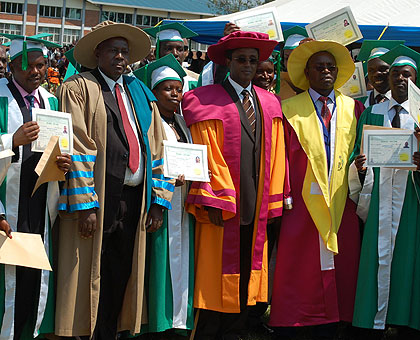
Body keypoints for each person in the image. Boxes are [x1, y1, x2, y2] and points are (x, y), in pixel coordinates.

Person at [55, 21, 174, 339]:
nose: (120, 57)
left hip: (134, 197)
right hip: (98, 195)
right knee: (89, 268)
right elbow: (76, 144)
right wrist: (85, 204)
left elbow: (158, 147)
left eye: (124, 51)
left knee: (122, 268)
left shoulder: (141, 94)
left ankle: (111, 329)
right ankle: (85, 330)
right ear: (97, 54)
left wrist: (158, 202)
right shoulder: (79, 88)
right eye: (113, 50)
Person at [182, 31, 287, 340]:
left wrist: (275, 201)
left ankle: (238, 326)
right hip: (222, 202)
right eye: (241, 59)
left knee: (248, 263)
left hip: (257, 202)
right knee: (214, 267)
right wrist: (214, 198)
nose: (248, 65)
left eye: (253, 60)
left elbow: (278, 155)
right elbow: (205, 154)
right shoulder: (204, 100)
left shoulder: (269, 102)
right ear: (227, 61)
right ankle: (209, 329)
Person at [269, 40, 365, 340]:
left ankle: (340, 316)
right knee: (300, 261)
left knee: (344, 260)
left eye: (331, 67)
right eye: (319, 67)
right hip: (301, 199)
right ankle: (297, 318)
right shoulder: (288, 109)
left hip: (341, 198)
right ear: (307, 72)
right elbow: (279, 156)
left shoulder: (354, 108)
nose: (326, 72)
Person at [0, 34, 71, 340]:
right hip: (7, 199)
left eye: (41, 65)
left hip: (40, 198)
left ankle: (29, 330)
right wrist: (10, 141)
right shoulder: (0, 98)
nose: (36, 72)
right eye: (27, 65)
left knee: (33, 271)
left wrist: (62, 162)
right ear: (11, 68)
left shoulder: (51, 100)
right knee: (7, 274)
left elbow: (57, 146)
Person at [350, 44, 420, 340]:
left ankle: (405, 321)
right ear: (387, 78)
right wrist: (361, 166)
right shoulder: (372, 113)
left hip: (411, 200)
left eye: (408, 75)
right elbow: (358, 152)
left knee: (408, 259)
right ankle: (371, 320)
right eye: (395, 74)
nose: (401, 79)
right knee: (375, 257)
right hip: (378, 196)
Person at [136, 53, 195, 335]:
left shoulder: (182, 122)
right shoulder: (149, 121)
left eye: (178, 89)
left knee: (181, 260)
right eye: (167, 89)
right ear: (154, 93)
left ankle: (178, 319)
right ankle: (158, 321)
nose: (175, 94)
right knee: (159, 261)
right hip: (160, 203)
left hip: (182, 205)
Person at [142, 22, 199, 93]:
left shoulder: (194, 85)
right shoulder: (143, 82)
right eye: (168, 49)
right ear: (155, 53)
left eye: (180, 49)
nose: (175, 54)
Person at [357, 40, 404, 106]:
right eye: (371, 70)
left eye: (382, 69)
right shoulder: (358, 102)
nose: (376, 74)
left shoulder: (405, 101)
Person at [278, 26, 308, 99]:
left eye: (295, 57)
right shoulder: (275, 86)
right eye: (286, 58)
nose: (289, 62)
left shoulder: (317, 84)